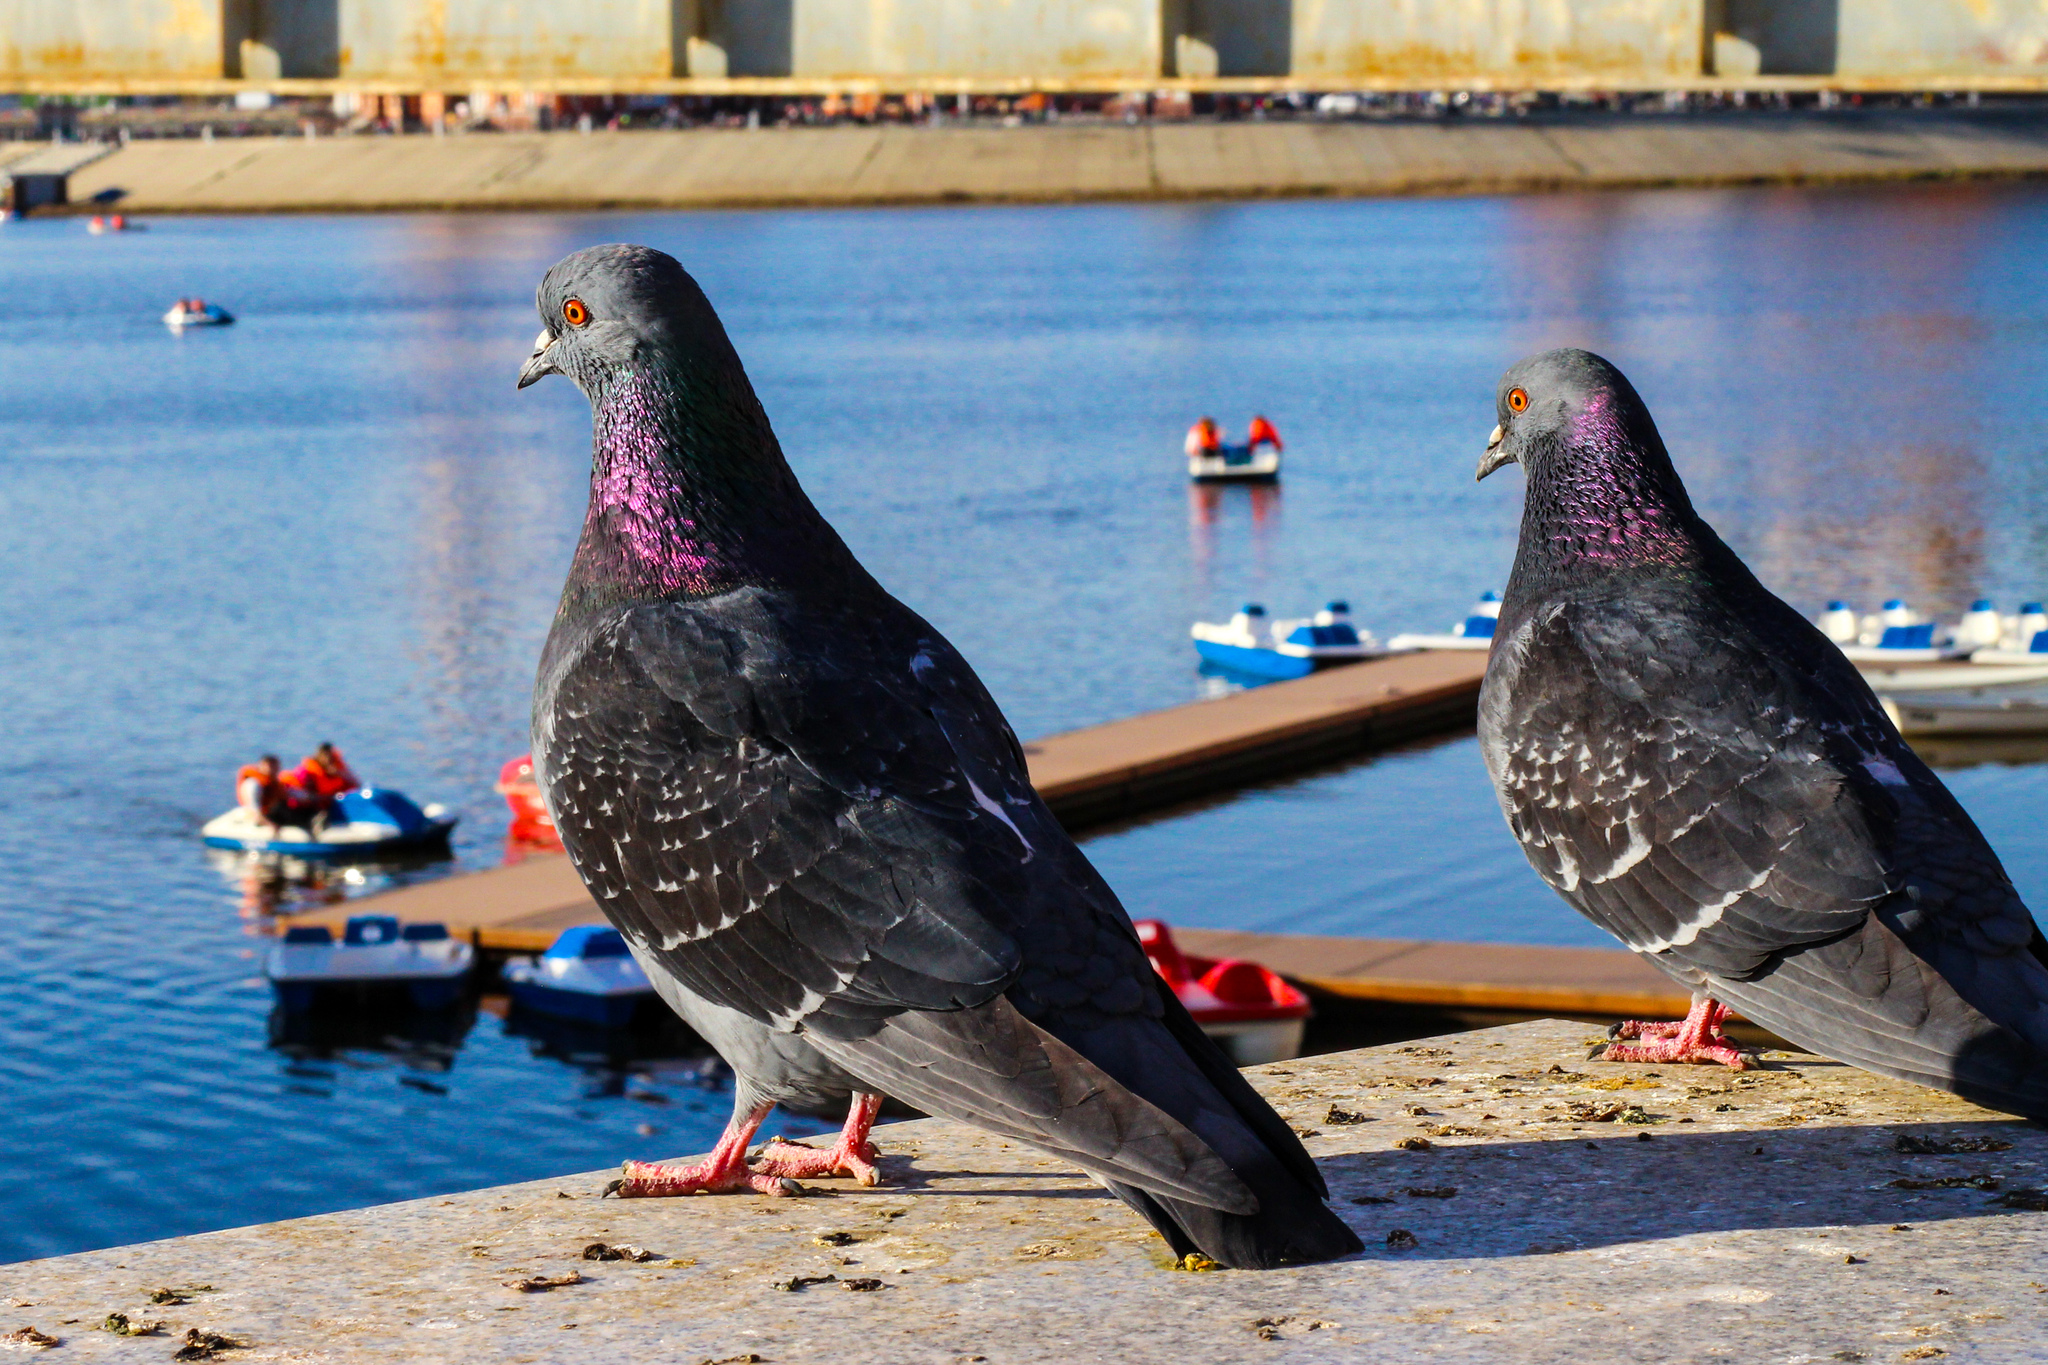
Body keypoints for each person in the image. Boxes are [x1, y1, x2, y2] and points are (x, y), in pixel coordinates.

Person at [290, 741, 359, 816]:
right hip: (308, 809)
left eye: (331, 756)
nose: (328, 759)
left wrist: (340, 774)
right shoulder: (306, 772)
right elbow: (298, 794)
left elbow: (355, 787)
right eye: (325, 755)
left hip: (335, 806)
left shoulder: (339, 770)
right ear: (319, 756)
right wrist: (324, 798)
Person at [235, 754, 302, 832]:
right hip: (256, 817)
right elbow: (253, 809)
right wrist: (271, 825)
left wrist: (315, 798)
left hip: (269, 813)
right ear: (261, 766)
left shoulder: (274, 783)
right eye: (270, 766)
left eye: (275, 767)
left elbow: (292, 793)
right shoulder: (254, 784)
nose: (273, 770)